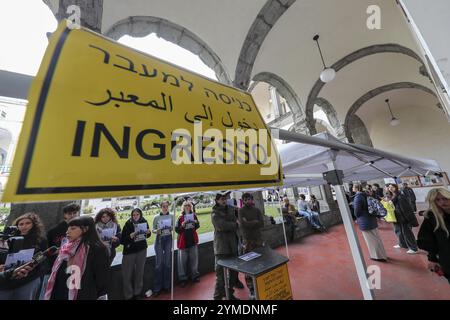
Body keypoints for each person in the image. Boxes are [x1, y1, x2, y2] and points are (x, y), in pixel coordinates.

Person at [44, 216, 109, 300]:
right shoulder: (66, 247)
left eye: (73, 228)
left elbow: (101, 279)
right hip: (59, 291)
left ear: (85, 229)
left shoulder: (97, 249)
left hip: (82, 294)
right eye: (68, 228)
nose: (67, 232)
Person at [0, 213, 48, 300]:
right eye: (21, 224)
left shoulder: (40, 240)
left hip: (29, 278)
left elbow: (43, 257)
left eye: (28, 223)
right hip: (7, 278)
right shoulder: (9, 239)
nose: (24, 226)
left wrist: (32, 263)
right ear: (17, 226)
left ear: (34, 225)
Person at [417, 188, 450, 283]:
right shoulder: (432, 216)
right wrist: (432, 258)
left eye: (445, 198)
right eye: (438, 200)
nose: (442, 202)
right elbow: (428, 240)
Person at [211, 193, 240, 300]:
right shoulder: (214, 213)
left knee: (233, 273)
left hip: (232, 245)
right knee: (220, 276)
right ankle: (217, 296)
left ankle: (229, 293)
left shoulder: (231, 209)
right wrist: (235, 225)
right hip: (221, 248)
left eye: (225, 199)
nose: (224, 201)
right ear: (217, 200)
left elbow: (236, 219)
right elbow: (221, 226)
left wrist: (233, 223)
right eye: (222, 199)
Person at [121, 208, 151, 300]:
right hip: (129, 252)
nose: (135, 216)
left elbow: (147, 235)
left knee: (139, 272)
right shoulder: (128, 224)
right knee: (127, 275)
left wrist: (148, 232)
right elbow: (122, 240)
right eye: (134, 215)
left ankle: (137, 293)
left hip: (141, 250)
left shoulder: (144, 221)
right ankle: (128, 295)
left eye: (137, 214)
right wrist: (130, 236)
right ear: (131, 215)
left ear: (140, 215)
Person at [238, 193, 264, 299]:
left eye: (249, 199)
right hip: (247, 241)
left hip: (258, 239)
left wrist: (249, 222)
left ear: (252, 200)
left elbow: (261, 223)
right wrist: (254, 222)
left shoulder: (257, 210)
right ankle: (251, 289)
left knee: (260, 262)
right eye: (246, 199)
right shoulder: (241, 211)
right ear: (243, 201)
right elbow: (243, 224)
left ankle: (260, 284)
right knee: (249, 265)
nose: (248, 201)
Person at [353, 184, 387, 262]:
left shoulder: (358, 197)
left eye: (353, 187)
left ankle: (378, 256)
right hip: (371, 219)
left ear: (357, 188)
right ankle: (382, 254)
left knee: (371, 240)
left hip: (365, 221)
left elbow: (357, 212)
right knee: (376, 238)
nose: (352, 189)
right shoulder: (366, 195)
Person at [47, 203, 80, 268]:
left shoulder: (83, 229)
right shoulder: (54, 231)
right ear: (65, 215)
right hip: (59, 264)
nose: (73, 215)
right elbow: (49, 250)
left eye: (75, 213)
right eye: (70, 213)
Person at [175, 201, 200, 287]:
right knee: (182, 263)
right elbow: (177, 230)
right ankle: (183, 278)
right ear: (183, 207)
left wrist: (195, 223)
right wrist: (182, 225)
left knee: (194, 260)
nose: (187, 207)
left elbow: (197, 226)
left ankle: (194, 276)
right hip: (183, 242)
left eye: (188, 206)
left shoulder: (194, 215)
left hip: (192, 241)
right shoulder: (180, 217)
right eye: (185, 205)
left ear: (190, 207)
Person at [389, 184, 419, 254]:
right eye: (389, 187)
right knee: (398, 231)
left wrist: (408, 219)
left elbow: (406, 208)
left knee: (407, 233)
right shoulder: (392, 196)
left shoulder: (400, 196)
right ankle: (402, 244)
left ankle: (413, 248)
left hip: (403, 217)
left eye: (392, 187)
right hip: (396, 217)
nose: (390, 188)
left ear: (396, 188)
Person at [152, 201, 173, 296]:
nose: (165, 208)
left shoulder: (172, 216)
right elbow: (153, 230)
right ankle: (157, 288)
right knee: (159, 264)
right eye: (163, 206)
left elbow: (173, 227)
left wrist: (171, 228)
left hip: (168, 238)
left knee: (168, 263)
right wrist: (157, 231)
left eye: (166, 206)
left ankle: (167, 286)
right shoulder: (156, 217)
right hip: (159, 239)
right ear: (161, 207)